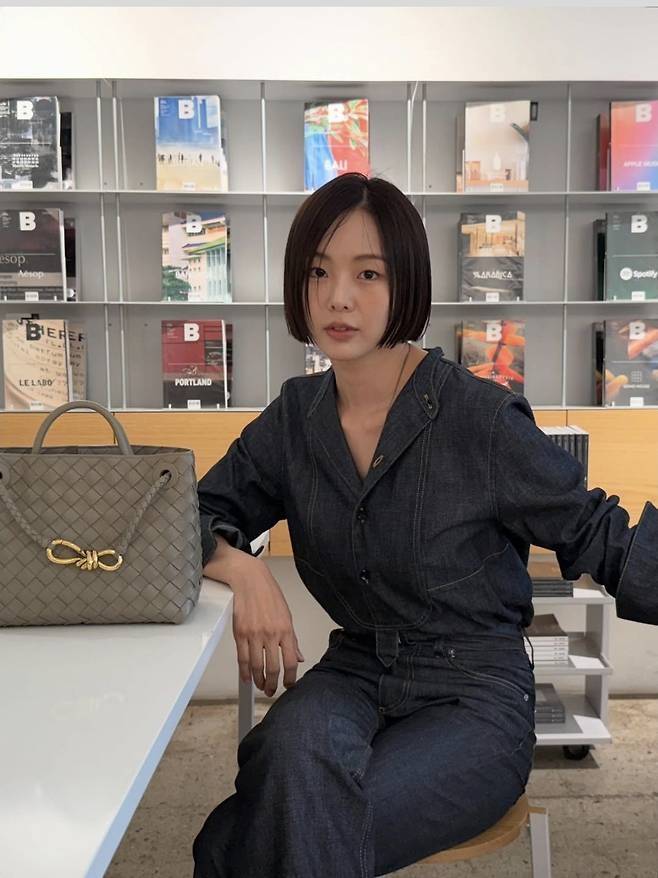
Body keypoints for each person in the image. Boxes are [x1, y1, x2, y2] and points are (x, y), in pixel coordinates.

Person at [192, 172, 658, 878]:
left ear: (406, 281)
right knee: (286, 762)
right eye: (318, 272)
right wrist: (242, 568)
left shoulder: (480, 418)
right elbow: (191, 513)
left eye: (368, 273)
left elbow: (601, 535)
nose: (337, 297)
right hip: (353, 670)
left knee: (254, 836)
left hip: (475, 692)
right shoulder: (294, 420)